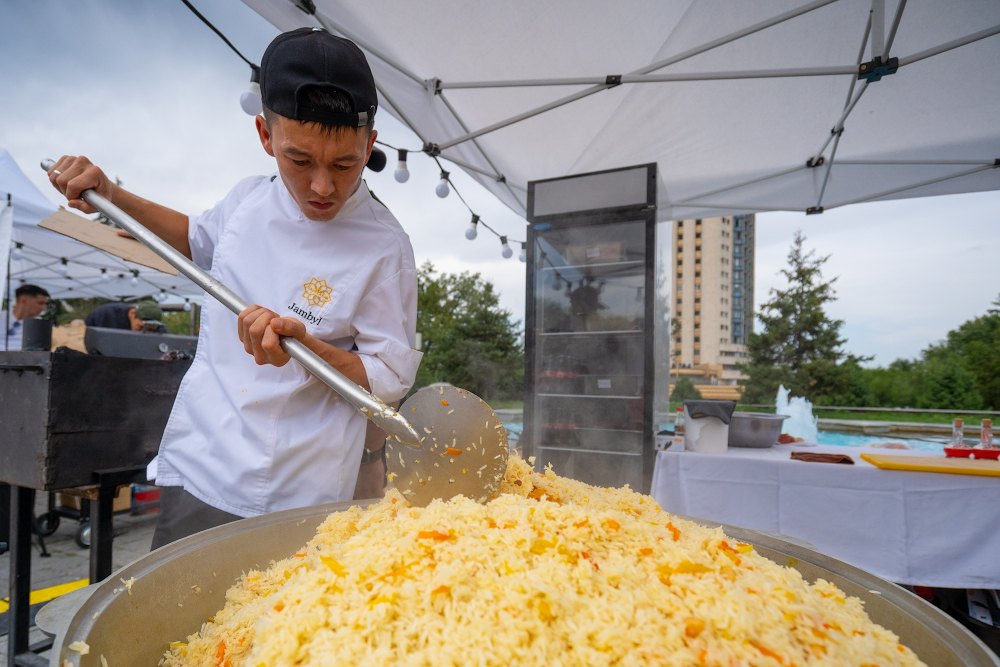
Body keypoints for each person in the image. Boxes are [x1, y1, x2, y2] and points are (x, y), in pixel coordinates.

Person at [47, 28, 421, 548]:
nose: (322, 186)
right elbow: (194, 241)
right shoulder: (247, 200)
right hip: (206, 460)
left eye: (344, 164)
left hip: (302, 489)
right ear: (265, 136)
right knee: (176, 621)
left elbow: (388, 380)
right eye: (299, 160)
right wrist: (111, 194)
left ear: (370, 144)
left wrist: (307, 349)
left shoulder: (386, 246)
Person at [1, 284, 50, 351]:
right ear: (23, 300)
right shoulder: (2, 317)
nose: (44, 308)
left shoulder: (40, 326)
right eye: (40, 303)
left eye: (45, 304)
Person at [84, 300, 164, 332]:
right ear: (132, 313)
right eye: (141, 327)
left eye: (150, 330)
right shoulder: (104, 314)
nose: (145, 332)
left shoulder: (160, 330)